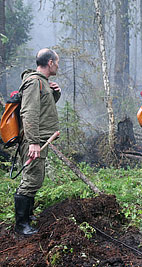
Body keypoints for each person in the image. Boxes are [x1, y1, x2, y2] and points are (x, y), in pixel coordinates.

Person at [14, 48, 61, 236]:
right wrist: (33, 142)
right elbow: (29, 113)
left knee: (34, 177)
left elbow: (43, 110)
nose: (58, 65)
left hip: (40, 139)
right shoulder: (34, 82)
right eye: (57, 62)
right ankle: (21, 225)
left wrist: (55, 94)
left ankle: (28, 216)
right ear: (50, 63)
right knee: (31, 179)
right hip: (34, 140)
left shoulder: (42, 83)